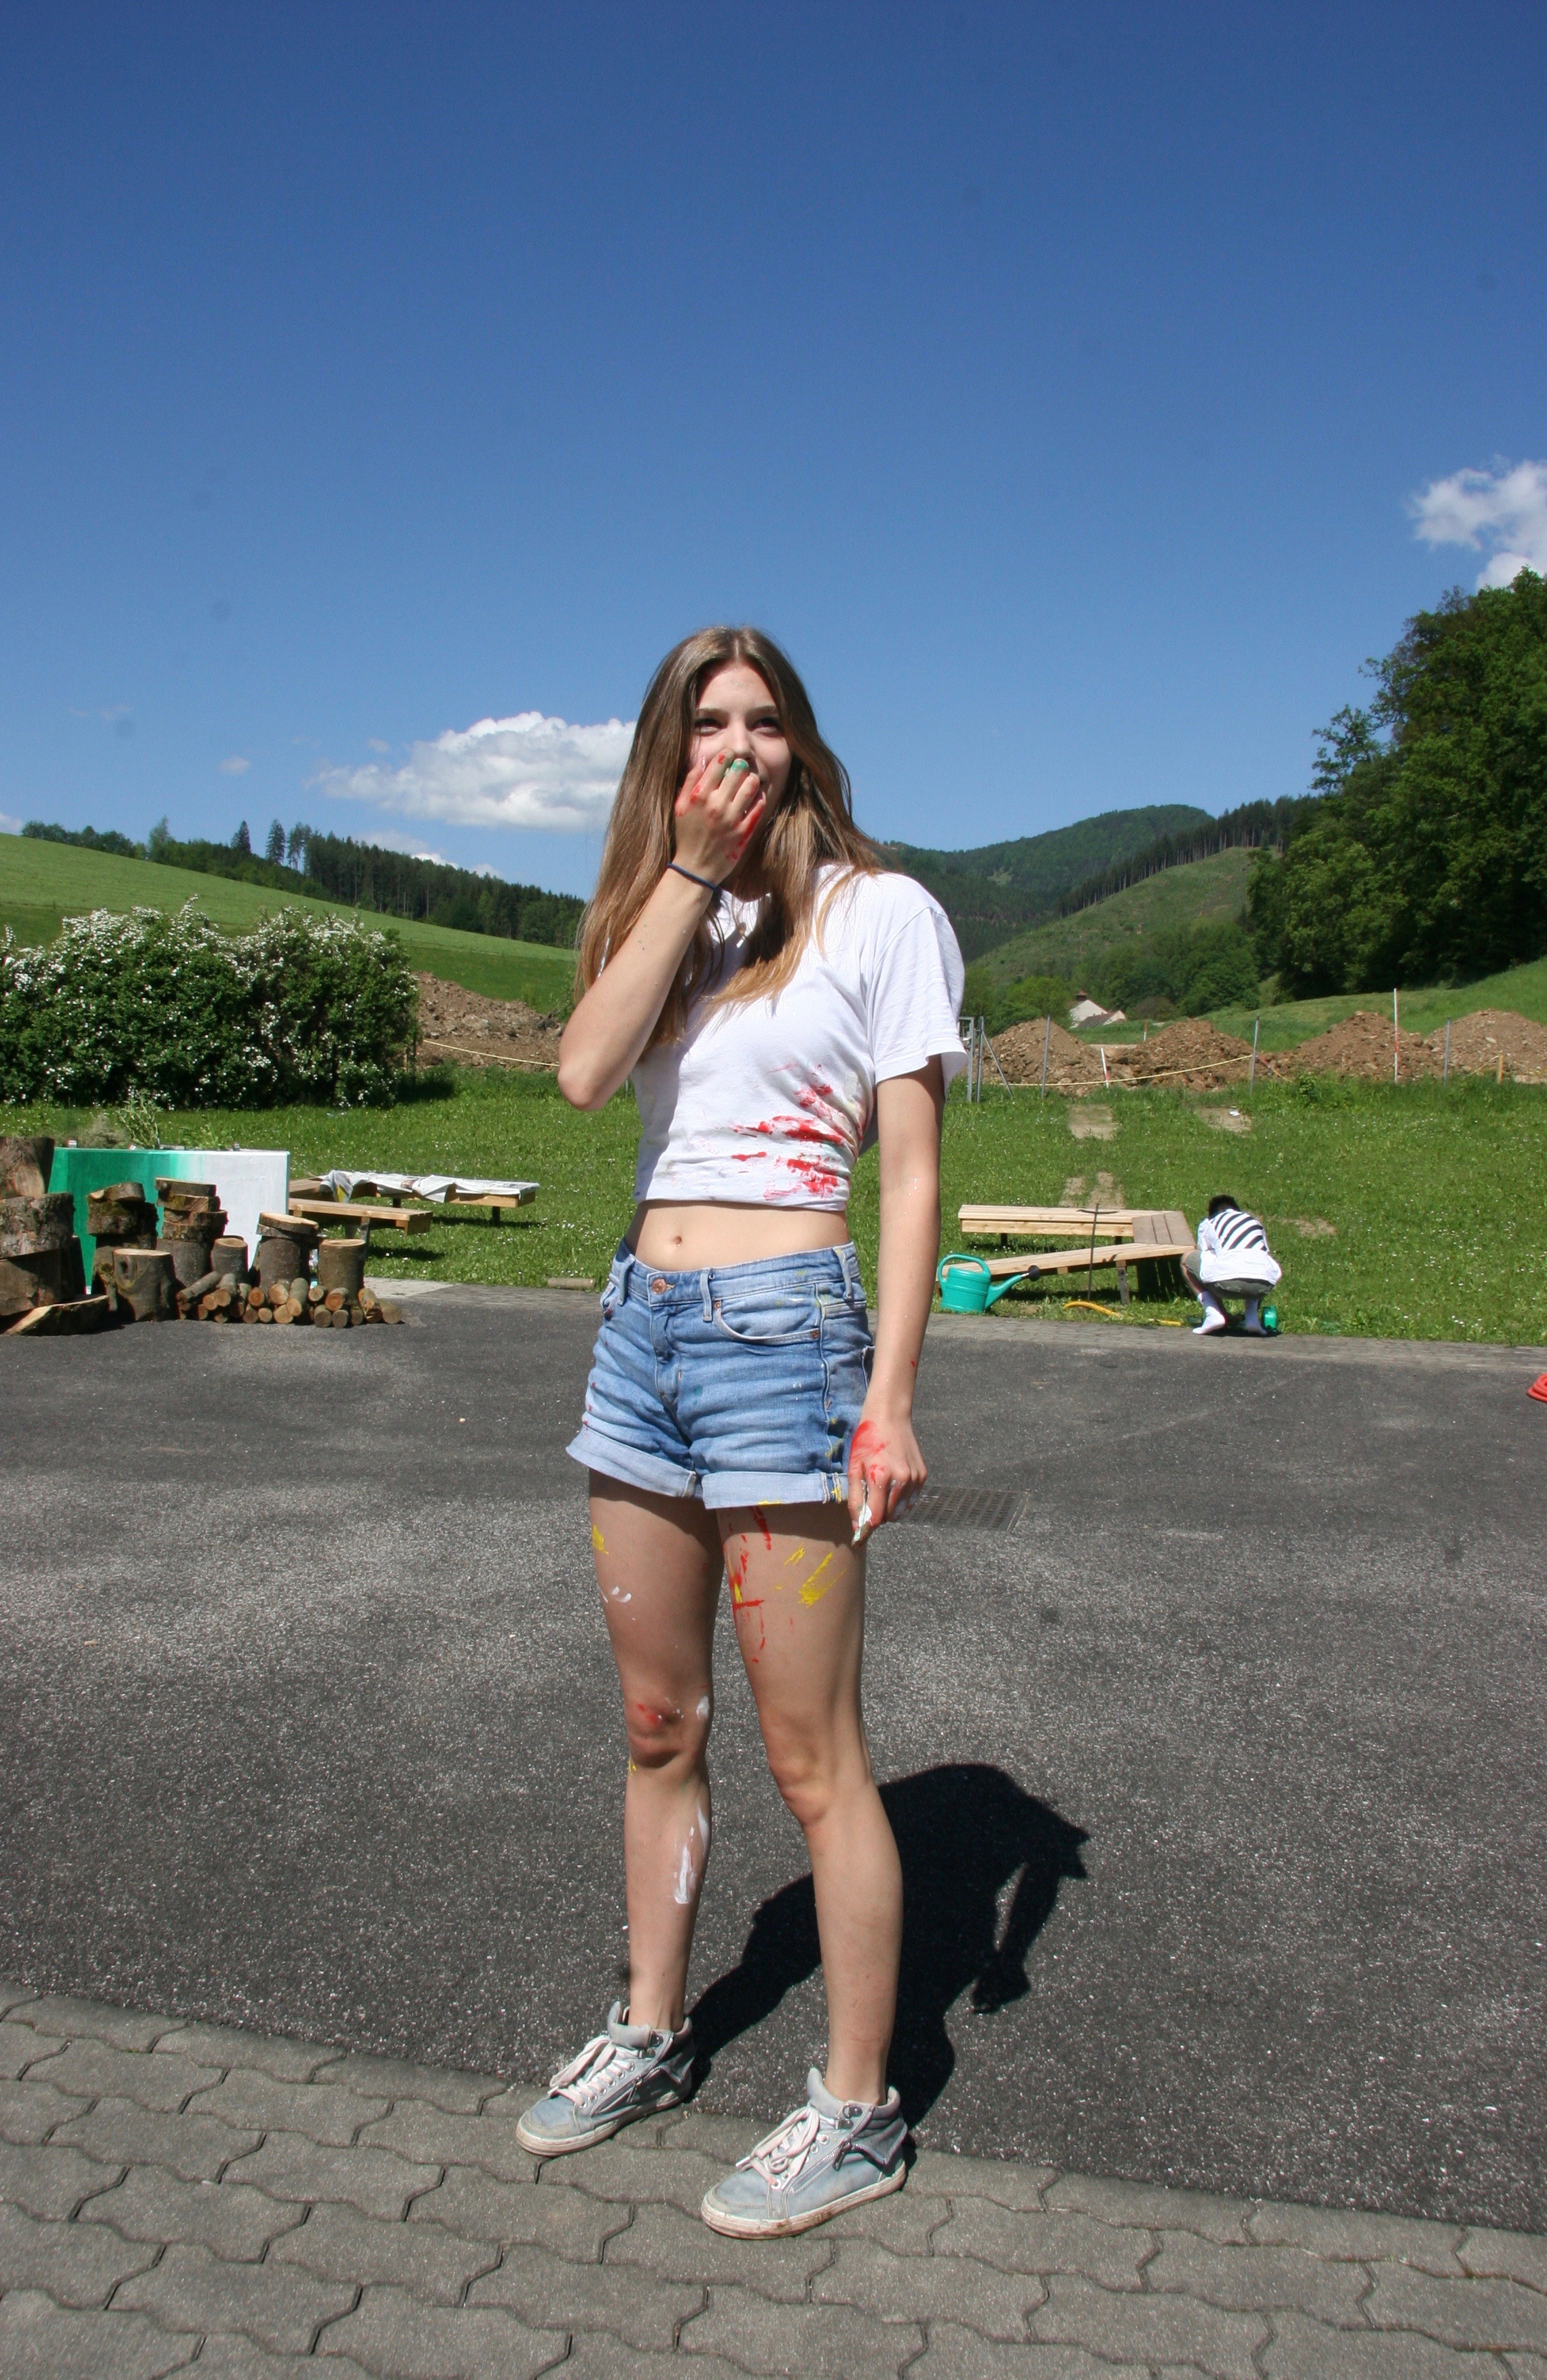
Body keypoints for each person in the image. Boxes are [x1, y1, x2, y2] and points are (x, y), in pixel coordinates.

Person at [515, 626, 966, 2239]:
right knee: (656, 1721)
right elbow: (582, 1076)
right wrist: (685, 877)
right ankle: (649, 2031)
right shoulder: (663, 909)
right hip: (640, 1333)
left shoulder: (878, 911)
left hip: (788, 1343)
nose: (738, 744)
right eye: (707, 721)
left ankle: (857, 2110)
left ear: (801, 745)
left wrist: (890, 1396)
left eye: (765, 720)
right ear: (670, 752)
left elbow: (910, 1172)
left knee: (807, 1755)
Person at [1182, 1193, 1281, 1335]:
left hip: (1225, 1283)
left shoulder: (1210, 1222)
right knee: (1258, 1263)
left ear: (1212, 1213)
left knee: (1187, 1260)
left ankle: (1214, 1313)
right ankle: (1252, 1317)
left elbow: (1203, 1254)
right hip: (1263, 1285)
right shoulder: (1254, 1222)